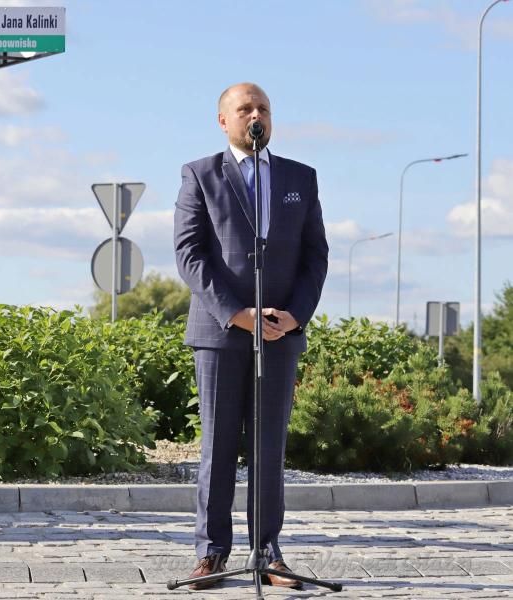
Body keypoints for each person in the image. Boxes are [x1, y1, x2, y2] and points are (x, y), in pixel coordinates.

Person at [174, 83, 328, 589]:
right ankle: (211, 553)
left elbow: (315, 256)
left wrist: (296, 316)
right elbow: (189, 254)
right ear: (224, 120)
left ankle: (267, 551)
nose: (255, 115)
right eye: (245, 109)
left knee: (268, 448)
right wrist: (235, 313)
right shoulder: (200, 174)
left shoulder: (300, 177)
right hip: (220, 333)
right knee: (218, 447)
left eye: (263, 108)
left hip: (279, 334)